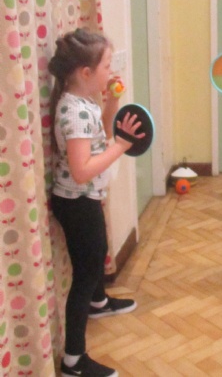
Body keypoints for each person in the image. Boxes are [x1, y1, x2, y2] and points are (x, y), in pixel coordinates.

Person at [49, 28, 144, 377]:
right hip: (77, 202)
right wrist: (121, 146)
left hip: (85, 198)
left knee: (98, 251)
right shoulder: (74, 111)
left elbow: (97, 137)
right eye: (106, 65)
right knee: (86, 273)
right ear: (86, 73)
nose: (111, 70)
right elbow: (81, 170)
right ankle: (73, 361)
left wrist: (112, 104)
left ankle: (99, 302)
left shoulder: (84, 100)